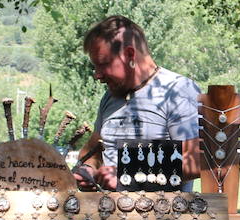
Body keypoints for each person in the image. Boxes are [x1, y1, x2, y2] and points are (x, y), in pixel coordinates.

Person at [73, 15, 201, 191]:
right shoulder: (110, 97)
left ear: (129, 54)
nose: (97, 75)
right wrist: (88, 169)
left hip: (163, 217)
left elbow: (196, 161)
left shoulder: (177, 90)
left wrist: (127, 174)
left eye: (103, 64)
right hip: (107, 217)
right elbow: (93, 151)